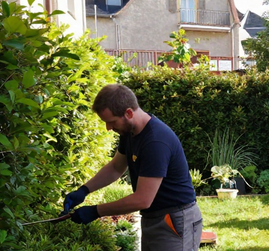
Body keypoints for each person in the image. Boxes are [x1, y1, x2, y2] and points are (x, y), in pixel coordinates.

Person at [62, 84, 202, 250]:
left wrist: (95, 211)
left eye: (111, 122)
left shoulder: (155, 141)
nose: (108, 128)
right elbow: (115, 167)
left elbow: (142, 199)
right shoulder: (130, 133)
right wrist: (84, 190)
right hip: (154, 217)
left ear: (128, 113)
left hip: (175, 219)